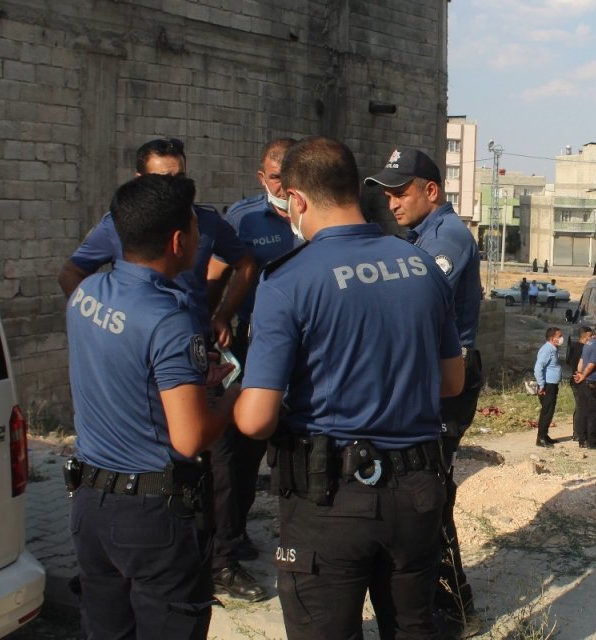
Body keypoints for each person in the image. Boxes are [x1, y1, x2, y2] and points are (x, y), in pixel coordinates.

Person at [233, 136, 464, 639]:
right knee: (412, 628)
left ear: (295, 200)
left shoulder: (288, 281)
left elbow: (255, 419)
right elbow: (452, 379)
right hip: (418, 494)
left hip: (331, 500)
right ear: (353, 190)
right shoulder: (420, 265)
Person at [66, 173, 238, 638]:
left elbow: (122, 369)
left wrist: (184, 380)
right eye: (198, 230)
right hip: (151, 518)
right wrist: (234, 395)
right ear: (179, 240)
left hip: (90, 506)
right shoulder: (170, 320)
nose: (202, 239)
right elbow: (190, 437)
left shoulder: (85, 296)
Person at [365, 147, 483, 636]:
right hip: (432, 371)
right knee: (423, 489)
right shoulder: (420, 236)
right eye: (388, 194)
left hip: (447, 377)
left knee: (428, 492)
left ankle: (453, 607)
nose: (392, 203)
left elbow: (410, 299)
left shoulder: (448, 238)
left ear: (430, 191)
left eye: (400, 192)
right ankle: (447, 599)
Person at [207, 138, 301, 602]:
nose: (281, 185)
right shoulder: (242, 220)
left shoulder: (318, 215)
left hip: (305, 360)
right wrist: (218, 321)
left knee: (287, 454)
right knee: (235, 457)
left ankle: (262, 539)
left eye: (289, 175)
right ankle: (221, 555)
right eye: (274, 176)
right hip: (251, 354)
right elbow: (216, 278)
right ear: (261, 177)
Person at [58, 138, 257, 344]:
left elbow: (245, 264)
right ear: (139, 180)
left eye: (180, 177)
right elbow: (71, 272)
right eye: (162, 180)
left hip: (191, 342)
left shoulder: (205, 220)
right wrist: (98, 323)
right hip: (137, 345)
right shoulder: (119, 224)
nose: (174, 188)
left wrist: (222, 316)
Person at [533, 327, 563, 448]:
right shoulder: (547, 349)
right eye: (559, 336)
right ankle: (540, 438)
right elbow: (538, 368)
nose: (561, 339)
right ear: (552, 338)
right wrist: (541, 385)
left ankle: (545, 435)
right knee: (546, 412)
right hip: (547, 385)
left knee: (549, 411)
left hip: (552, 384)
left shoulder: (553, 349)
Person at [568, 326, 592, 445]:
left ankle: (577, 432)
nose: (591, 338)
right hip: (579, 381)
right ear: (585, 336)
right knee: (581, 408)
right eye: (590, 336)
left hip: (575, 380)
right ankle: (578, 434)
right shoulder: (582, 349)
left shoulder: (574, 347)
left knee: (579, 407)